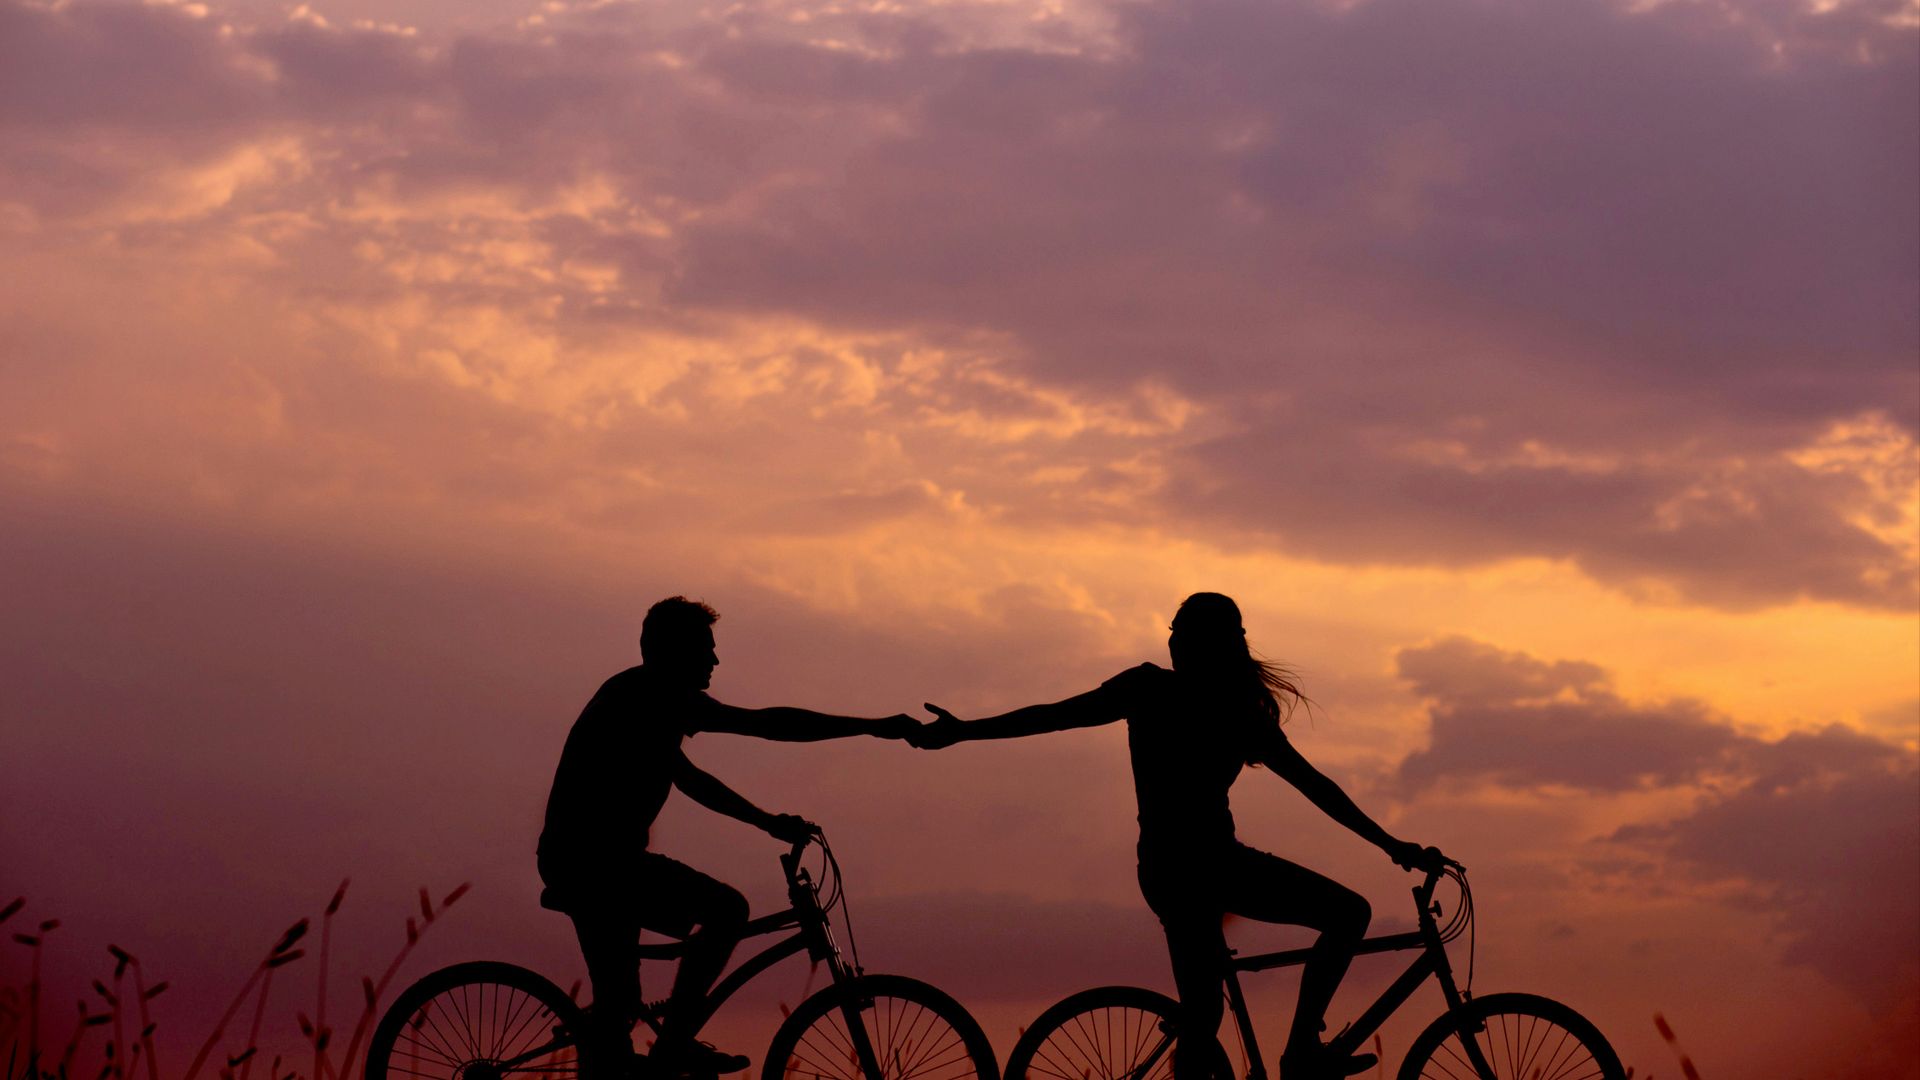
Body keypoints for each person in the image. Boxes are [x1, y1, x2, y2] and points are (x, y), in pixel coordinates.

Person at [909, 592, 1446, 1080]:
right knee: (1346, 915)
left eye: (1181, 631)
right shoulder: (1198, 701)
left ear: (1206, 643)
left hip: (1171, 870)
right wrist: (1392, 847)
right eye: (1173, 630)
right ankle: (1302, 1048)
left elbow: (1315, 786)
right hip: (1210, 866)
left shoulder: (1175, 696)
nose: (1171, 640)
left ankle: (1275, 1053)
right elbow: (1055, 716)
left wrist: (965, 732)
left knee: (1204, 1012)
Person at [538, 596, 920, 1074]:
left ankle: (657, 1047)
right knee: (726, 910)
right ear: (673, 651)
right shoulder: (649, 696)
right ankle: (673, 1042)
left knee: (619, 1012)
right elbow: (764, 725)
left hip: (600, 863)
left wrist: (767, 822)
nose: (715, 660)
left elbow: (691, 778)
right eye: (705, 648)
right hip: (594, 865)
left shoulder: (644, 701)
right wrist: (872, 727)